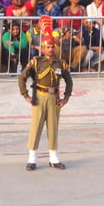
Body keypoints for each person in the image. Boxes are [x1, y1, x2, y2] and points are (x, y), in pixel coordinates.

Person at [18, 34, 73, 170]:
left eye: (52, 47)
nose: (50, 49)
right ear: (42, 49)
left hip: (53, 98)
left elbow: (69, 81)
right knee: (36, 128)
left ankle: (54, 159)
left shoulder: (60, 63)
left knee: (53, 128)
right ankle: (32, 159)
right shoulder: (37, 62)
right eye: (47, 47)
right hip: (39, 96)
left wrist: (66, 98)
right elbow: (22, 77)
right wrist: (25, 95)